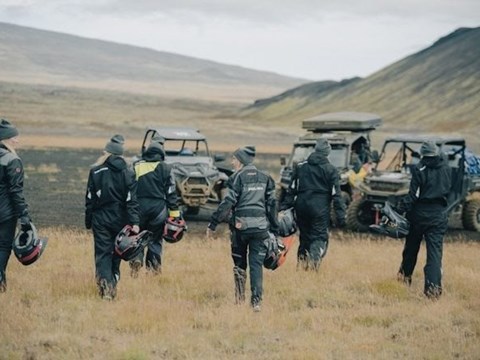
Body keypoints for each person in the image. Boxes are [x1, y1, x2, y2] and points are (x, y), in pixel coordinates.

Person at [206, 146, 279, 312]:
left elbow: (228, 202)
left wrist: (213, 223)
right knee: (256, 265)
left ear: (240, 161)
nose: (232, 162)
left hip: (240, 229)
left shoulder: (236, 178)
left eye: (234, 159)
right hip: (260, 229)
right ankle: (256, 302)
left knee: (239, 263)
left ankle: (239, 299)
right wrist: (275, 230)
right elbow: (272, 205)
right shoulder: (266, 177)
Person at [85, 134, 140, 300]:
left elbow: (89, 199)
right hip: (121, 220)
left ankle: (105, 287)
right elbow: (132, 200)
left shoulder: (95, 171)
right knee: (117, 254)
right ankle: (112, 284)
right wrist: (135, 222)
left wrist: (88, 221)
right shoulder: (128, 172)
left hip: (100, 219)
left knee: (102, 254)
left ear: (106, 153)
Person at [396, 140, 452, 299]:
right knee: (434, 255)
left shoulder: (419, 168)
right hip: (439, 214)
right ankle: (433, 292)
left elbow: (413, 196)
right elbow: (449, 190)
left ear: (423, 154)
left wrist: (399, 210)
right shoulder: (447, 168)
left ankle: (403, 281)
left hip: (419, 215)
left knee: (410, 250)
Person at [281, 138, 346, 271]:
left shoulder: (300, 166)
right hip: (319, 210)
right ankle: (313, 267)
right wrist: (341, 217)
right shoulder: (331, 170)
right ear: (327, 153)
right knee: (319, 238)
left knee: (304, 238)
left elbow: (292, 189)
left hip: (301, 208)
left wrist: (283, 209)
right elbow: (337, 196)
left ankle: (301, 267)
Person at [129, 141, 180, 277]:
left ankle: (136, 259)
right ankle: (153, 270)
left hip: (139, 208)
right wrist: (175, 214)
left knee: (137, 236)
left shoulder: (136, 166)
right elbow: (171, 193)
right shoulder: (166, 168)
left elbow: (129, 188)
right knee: (155, 239)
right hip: (158, 210)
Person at [0, 119, 32, 293]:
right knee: (3, 247)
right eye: (14, 137)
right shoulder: (12, 160)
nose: (17, 141)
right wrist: (24, 217)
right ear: (6, 139)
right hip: (5, 215)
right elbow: (15, 192)